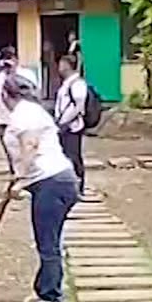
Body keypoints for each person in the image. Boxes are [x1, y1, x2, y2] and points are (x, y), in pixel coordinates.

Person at [0, 72, 79, 302]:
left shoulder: (25, 114)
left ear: (4, 94)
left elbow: (30, 145)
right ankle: (44, 289)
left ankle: (52, 300)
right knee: (49, 240)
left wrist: (19, 179)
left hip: (51, 182)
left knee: (48, 243)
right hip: (56, 181)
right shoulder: (30, 110)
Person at [52, 53, 92, 197]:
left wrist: (65, 122)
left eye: (61, 64)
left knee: (73, 156)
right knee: (64, 156)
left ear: (68, 65)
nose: (59, 67)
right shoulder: (67, 83)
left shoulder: (78, 84)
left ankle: (78, 187)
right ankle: (68, 186)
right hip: (63, 125)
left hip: (72, 126)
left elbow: (78, 106)